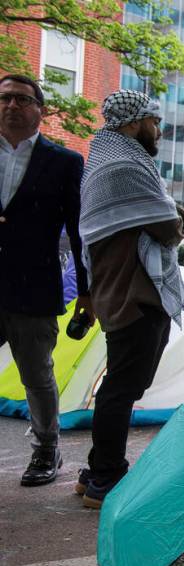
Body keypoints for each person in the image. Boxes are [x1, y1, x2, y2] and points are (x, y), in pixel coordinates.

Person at [77, 90, 184, 508]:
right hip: (135, 294)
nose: (157, 130)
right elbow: (168, 226)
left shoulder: (105, 160)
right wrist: (178, 215)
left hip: (119, 289)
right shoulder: (125, 165)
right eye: (154, 121)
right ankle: (106, 478)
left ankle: (95, 468)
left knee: (120, 385)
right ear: (132, 123)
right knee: (122, 388)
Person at [0, 74, 92, 486]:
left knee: (37, 375)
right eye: (4, 99)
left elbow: (78, 231)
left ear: (40, 109)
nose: (11, 106)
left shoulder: (66, 162)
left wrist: (88, 291)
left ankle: (46, 451)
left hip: (33, 288)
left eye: (22, 99)